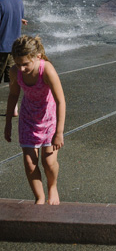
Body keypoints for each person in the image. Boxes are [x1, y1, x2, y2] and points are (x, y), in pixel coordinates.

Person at [3, 35, 66, 204]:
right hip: (28, 119)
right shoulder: (15, 72)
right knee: (30, 164)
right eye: (18, 64)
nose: (21, 68)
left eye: (25, 64)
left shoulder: (46, 70)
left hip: (49, 118)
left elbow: (61, 101)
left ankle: (52, 187)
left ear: (37, 57)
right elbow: (13, 95)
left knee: (49, 162)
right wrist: (8, 123)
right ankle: (39, 197)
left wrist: (59, 132)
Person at [0, 0, 25, 84]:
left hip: (1, 47)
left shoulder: (1, 3)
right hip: (14, 47)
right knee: (12, 81)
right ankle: (14, 102)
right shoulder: (19, 2)